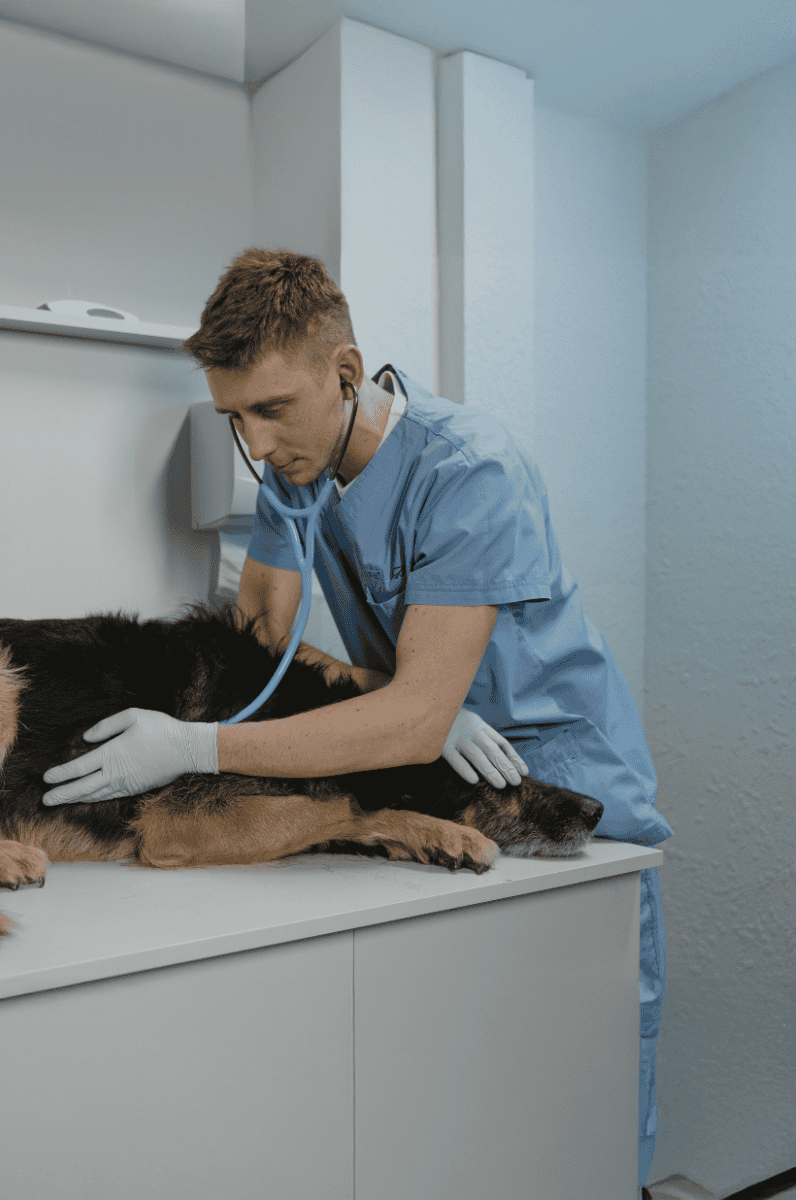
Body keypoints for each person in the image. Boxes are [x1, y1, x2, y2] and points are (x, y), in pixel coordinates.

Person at [42, 248, 671, 1190]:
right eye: (235, 419)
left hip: (564, 784)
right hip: (438, 769)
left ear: (345, 374)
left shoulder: (471, 473)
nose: (256, 446)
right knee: (477, 1090)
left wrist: (195, 745)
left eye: (272, 410)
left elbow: (414, 720)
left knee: (578, 1087)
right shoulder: (300, 474)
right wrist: (369, 685)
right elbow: (256, 641)